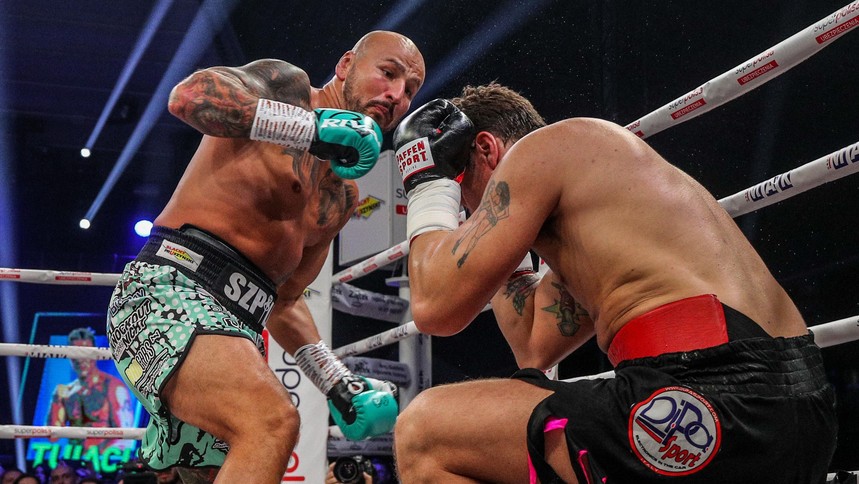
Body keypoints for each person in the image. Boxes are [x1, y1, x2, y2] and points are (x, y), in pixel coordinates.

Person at [391, 84, 837, 483]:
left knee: (422, 432)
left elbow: (434, 308)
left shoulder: (542, 149)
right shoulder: (601, 218)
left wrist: (427, 185)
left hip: (710, 395)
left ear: (486, 148)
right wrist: (498, 250)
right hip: (800, 413)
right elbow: (533, 344)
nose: (469, 212)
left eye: (463, 188)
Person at [106, 30, 425, 483]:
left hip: (236, 329)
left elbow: (285, 301)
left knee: (224, 468)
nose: (396, 95)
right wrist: (309, 128)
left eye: (409, 90)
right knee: (271, 422)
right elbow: (189, 98)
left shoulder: (341, 196)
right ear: (346, 65)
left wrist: (334, 380)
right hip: (170, 290)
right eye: (388, 74)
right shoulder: (286, 88)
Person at [47, 328, 134, 451]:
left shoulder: (113, 388)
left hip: (105, 459)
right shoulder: (65, 392)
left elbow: (126, 437)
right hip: (74, 458)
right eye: (74, 353)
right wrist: (56, 401)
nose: (80, 359)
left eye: (85, 352)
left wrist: (96, 457)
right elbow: (53, 437)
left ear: (95, 354)